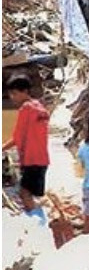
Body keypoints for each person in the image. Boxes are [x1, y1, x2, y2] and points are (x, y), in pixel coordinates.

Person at [3, 75, 50, 216]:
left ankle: (37, 221)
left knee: (24, 193)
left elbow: (17, 137)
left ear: (25, 91)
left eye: (14, 93)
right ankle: (39, 215)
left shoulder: (26, 109)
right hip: (42, 159)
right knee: (32, 193)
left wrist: (3, 147)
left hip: (31, 159)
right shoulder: (40, 108)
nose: (12, 97)